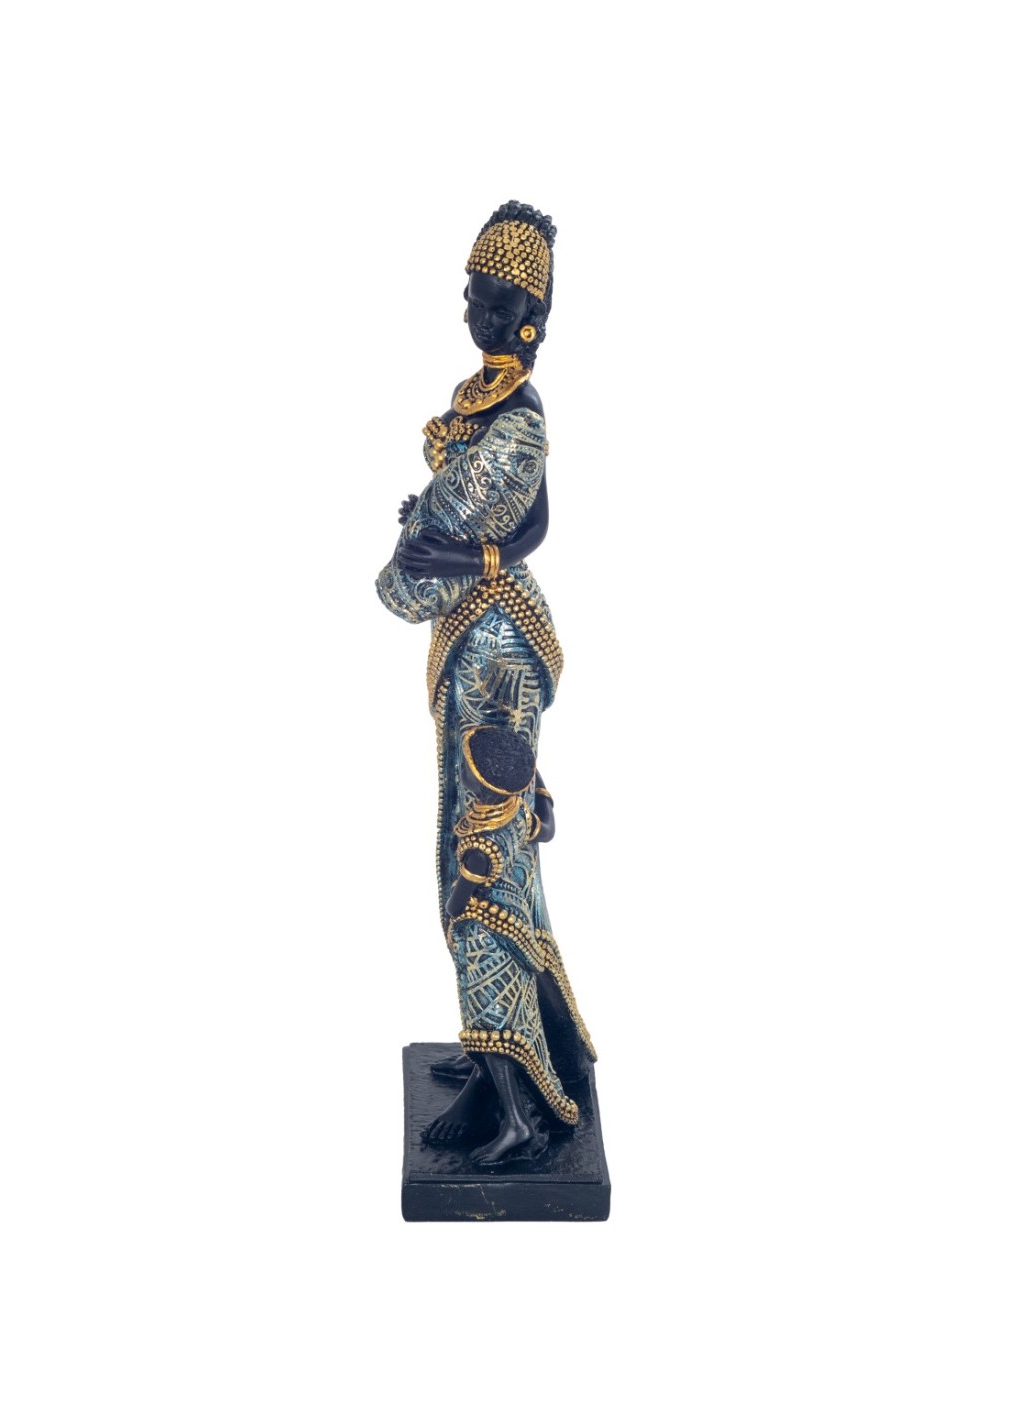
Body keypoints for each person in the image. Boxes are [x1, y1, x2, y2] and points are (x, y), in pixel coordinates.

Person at [376, 201, 595, 1164]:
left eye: (497, 300)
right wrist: (448, 540)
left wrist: (452, 547)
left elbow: (469, 532)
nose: (477, 311)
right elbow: (505, 525)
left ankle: (520, 1104)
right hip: (478, 634)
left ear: (533, 315)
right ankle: (507, 1053)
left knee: (482, 870)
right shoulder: (487, 403)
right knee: (471, 853)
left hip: (498, 648)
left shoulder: (518, 421)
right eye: (472, 293)